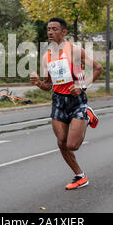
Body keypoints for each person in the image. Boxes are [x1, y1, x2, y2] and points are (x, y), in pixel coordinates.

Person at [30, 17, 103, 190]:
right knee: (61, 143)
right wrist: (38, 83)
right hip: (58, 101)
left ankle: (88, 114)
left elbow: (98, 68)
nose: (50, 32)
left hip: (76, 100)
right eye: (48, 29)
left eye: (55, 29)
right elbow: (48, 86)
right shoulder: (46, 57)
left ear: (64, 32)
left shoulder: (75, 51)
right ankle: (80, 176)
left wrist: (82, 86)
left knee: (72, 145)